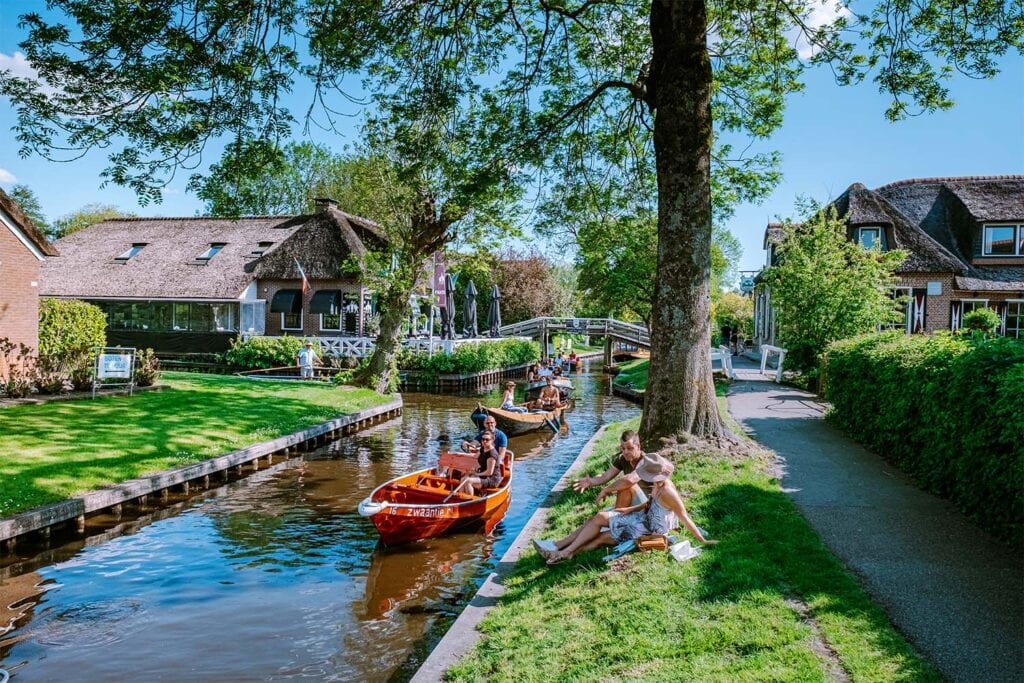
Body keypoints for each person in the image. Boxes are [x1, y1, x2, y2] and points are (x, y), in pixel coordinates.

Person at [534, 453, 717, 564]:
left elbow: (684, 517)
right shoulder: (658, 485)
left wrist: (703, 541)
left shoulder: (669, 492)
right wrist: (629, 510)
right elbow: (649, 504)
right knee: (599, 517)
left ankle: (566, 553)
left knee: (602, 537)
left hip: (652, 529)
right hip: (643, 517)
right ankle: (562, 548)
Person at [573, 430, 647, 508]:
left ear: (638, 446)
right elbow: (605, 476)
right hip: (631, 501)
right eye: (623, 448)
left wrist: (606, 490)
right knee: (598, 517)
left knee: (626, 485)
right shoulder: (622, 459)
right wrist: (591, 481)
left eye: (629, 448)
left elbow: (629, 480)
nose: (625, 452)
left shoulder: (646, 461)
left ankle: (618, 517)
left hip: (647, 505)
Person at [453, 432, 503, 496]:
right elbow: (475, 456)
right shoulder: (483, 448)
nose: (484, 441)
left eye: (487, 439)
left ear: (492, 440)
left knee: (468, 481)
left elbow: (489, 472)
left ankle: (470, 501)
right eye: (483, 439)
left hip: (491, 479)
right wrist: (461, 454)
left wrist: (476, 474)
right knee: (463, 479)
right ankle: (461, 497)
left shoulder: (492, 454)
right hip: (483, 475)